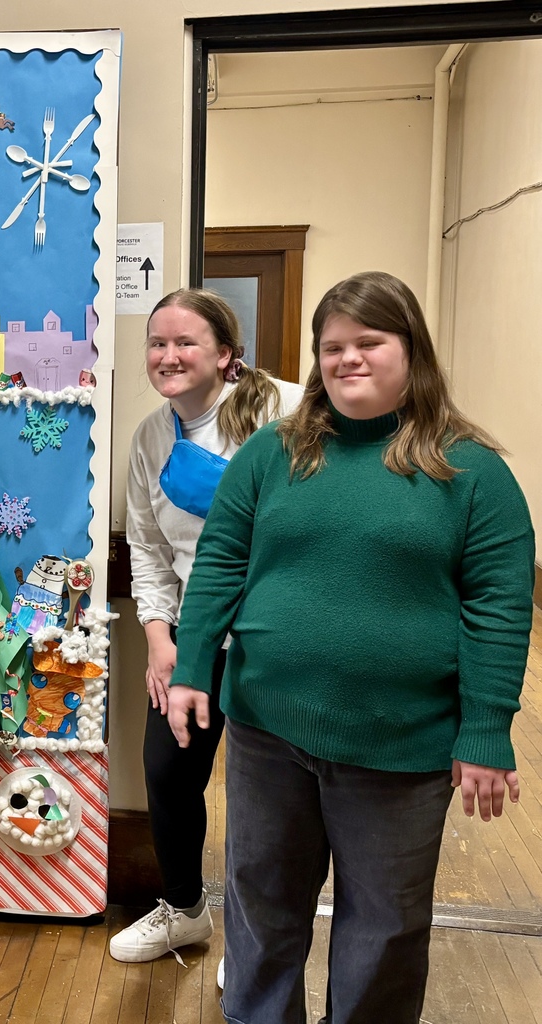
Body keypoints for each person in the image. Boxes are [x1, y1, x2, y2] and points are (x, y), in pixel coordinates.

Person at [168, 271, 535, 1023]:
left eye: (370, 342)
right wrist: (193, 665)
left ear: (413, 352)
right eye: (332, 347)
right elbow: (220, 564)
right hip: (268, 732)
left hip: (401, 748)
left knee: (385, 929)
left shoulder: (473, 473)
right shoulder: (274, 454)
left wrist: (486, 730)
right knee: (262, 908)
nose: (348, 359)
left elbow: (499, 609)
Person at [109, 289, 303, 964]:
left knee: (269, 801)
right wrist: (160, 641)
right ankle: (184, 910)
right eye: (157, 343)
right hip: (196, 640)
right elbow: (150, 551)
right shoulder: (151, 437)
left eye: (185, 342)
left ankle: (257, 947)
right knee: (166, 773)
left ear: (226, 353)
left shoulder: (289, 410)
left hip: (283, 640)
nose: (167, 355)